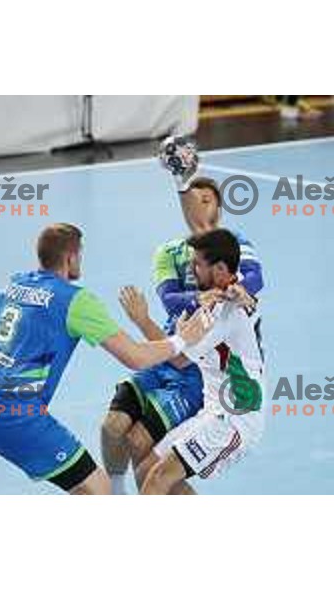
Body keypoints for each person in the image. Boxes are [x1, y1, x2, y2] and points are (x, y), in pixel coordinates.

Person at [0, 223, 213, 495]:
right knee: (98, 490)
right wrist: (182, 339)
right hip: (15, 413)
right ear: (70, 258)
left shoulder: (14, 284)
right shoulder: (75, 299)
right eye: (79, 255)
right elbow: (135, 357)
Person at [101, 175, 264, 494]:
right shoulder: (217, 297)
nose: (190, 272)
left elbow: (176, 358)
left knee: (157, 480)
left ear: (218, 270)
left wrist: (143, 320)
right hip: (211, 410)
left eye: (197, 266)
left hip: (233, 417)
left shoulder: (224, 308)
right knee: (149, 467)